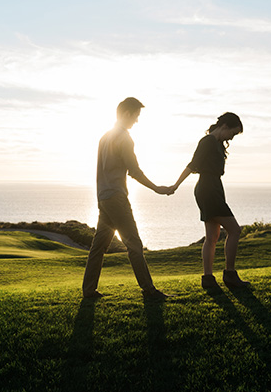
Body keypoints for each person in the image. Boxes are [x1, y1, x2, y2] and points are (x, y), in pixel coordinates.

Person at [82, 97, 173, 300]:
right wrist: (157, 188)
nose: (137, 121)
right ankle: (149, 290)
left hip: (103, 198)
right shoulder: (124, 138)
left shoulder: (104, 137)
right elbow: (134, 171)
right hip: (116, 198)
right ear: (126, 114)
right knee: (134, 244)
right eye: (136, 116)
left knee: (98, 247)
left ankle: (88, 290)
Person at [169, 112, 251, 289]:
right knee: (235, 230)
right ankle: (229, 274)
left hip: (213, 187)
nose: (232, 137)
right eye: (233, 133)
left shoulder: (217, 144)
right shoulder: (207, 142)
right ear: (225, 126)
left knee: (212, 236)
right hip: (208, 188)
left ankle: (208, 279)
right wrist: (175, 185)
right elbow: (192, 165)